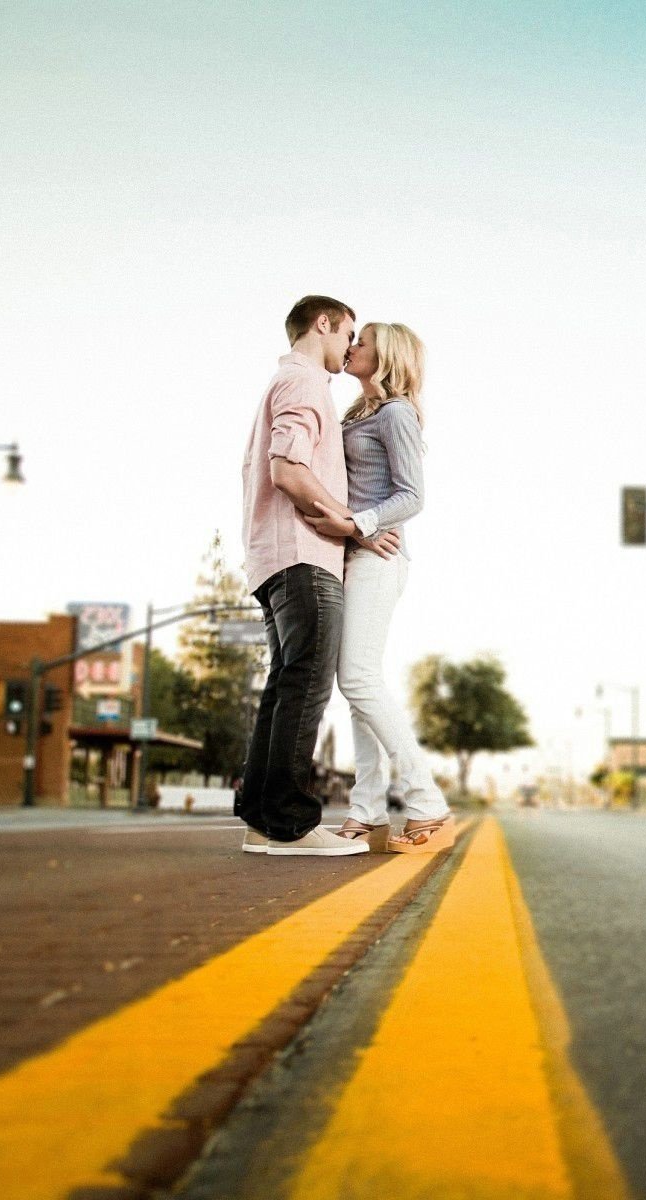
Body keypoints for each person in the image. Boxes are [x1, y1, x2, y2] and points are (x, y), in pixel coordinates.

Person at [236, 295, 400, 857]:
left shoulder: (286, 383)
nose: (350, 346)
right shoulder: (306, 384)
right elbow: (288, 469)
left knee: (286, 684)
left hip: (273, 555)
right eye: (347, 332)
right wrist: (357, 526)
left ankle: (263, 819)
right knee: (305, 685)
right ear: (323, 324)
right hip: (304, 555)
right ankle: (289, 824)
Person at [311, 322, 453, 853]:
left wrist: (359, 526)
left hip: (378, 558)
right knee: (358, 690)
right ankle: (367, 811)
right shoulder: (358, 413)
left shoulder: (397, 413)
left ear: (386, 354)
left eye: (362, 342)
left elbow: (412, 495)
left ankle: (426, 802)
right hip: (352, 556)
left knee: (359, 678)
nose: (351, 348)